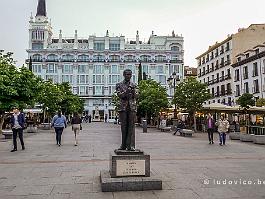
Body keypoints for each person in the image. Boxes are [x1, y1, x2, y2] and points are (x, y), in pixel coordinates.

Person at [116, 69, 137, 151]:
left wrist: (133, 91)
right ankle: (123, 145)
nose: (129, 76)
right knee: (123, 127)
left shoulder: (134, 85)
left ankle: (130, 145)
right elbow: (120, 95)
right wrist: (127, 92)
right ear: (124, 75)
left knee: (131, 127)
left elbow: (137, 96)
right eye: (127, 74)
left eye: (130, 74)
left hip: (132, 108)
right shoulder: (119, 85)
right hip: (123, 108)